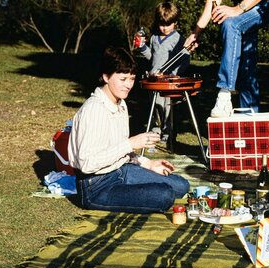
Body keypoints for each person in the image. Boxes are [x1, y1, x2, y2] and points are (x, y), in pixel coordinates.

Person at [68, 46, 190, 214]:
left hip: (120, 170)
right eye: (123, 79)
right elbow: (87, 164)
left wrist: (149, 164)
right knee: (165, 195)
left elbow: (120, 152)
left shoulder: (120, 103)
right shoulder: (94, 109)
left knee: (181, 186)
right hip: (95, 186)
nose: (128, 85)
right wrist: (130, 143)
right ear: (105, 77)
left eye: (131, 79)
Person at [184, 0, 269, 117]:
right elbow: (211, 3)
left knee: (231, 24)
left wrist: (236, 9)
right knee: (246, 70)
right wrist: (195, 34)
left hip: (263, 7)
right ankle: (249, 124)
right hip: (244, 10)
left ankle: (224, 94)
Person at [136, 1, 190, 140]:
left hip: (168, 81)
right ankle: (155, 130)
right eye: (162, 24)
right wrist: (142, 48)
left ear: (175, 22)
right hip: (153, 78)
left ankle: (169, 132)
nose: (165, 28)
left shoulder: (178, 39)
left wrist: (173, 74)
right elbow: (152, 57)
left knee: (167, 108)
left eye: (168, 24)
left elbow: (185, 59)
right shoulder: (154, 37)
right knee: (155, 106)